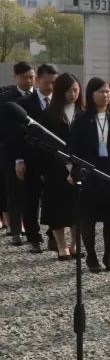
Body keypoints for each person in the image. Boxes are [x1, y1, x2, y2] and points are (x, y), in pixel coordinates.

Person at [70, 77, 110, 272]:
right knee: (88, 217)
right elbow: (73, 148)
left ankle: (108, 255)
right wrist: (74, 171)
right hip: (89, 172)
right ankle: (91, 256)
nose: (105, 95)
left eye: (108, 91)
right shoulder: (82, 119)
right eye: (101, 91)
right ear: (91, 94)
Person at [13, 63, 59, 254]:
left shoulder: (60, 103)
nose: (51, 86)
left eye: (54, 82)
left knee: (54, 198)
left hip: (54, 160)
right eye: (48, 82)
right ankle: (33, 237)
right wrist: (19, 160)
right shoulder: (24, 104)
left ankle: (54, 236)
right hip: (31, 159)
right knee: (31, 200)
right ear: (38, 80)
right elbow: (16, 135)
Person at [39, 73, 82, 260]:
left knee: (78, 207)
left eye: (76, 90)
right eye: (68, 90)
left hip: (79, 166)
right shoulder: (49, 114)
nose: (73, 94)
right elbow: (45, 144)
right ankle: (61, 245)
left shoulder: (83, 112)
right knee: (57, 206)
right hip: (56, 168)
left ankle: (75, 244)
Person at [0, 61, 36, 247]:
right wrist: (16, 157)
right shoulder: (6, 98)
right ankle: (15, 231)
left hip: (35, 151)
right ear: (15, 77)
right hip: (12, 152)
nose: (29, 81)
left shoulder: (38, 97)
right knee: (14, 192)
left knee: (33, 193)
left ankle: (33, 232)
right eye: (25, 77)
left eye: (31, 77)